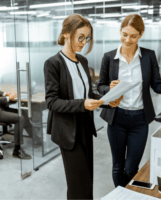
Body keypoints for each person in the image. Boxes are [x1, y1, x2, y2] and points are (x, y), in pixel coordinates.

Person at [97, 14, 161, 188]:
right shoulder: (109, 57)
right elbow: (100, 86)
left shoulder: (148, 56)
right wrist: (109, 89)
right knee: (117, 167)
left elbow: (157, 86)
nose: (127, 40)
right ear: (120, 32)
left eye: (133, 36)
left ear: (141, 34)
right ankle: (122, 195)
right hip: (117, 118)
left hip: (139, 120)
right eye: (124, 34)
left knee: (131, 168)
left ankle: (127, 192)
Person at [44, 14, 123, 200]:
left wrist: (107, 100)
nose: (84, 42)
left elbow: (88, 95)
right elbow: (52, 102)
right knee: (79, 185)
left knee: (87, 181)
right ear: (66, 34)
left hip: (86, 127)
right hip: (68, 131)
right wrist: (82, 104)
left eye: (87, 38)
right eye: (80, 37)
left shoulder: (83, 61)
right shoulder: (53, 63)